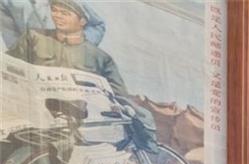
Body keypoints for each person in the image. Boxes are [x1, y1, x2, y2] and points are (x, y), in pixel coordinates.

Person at [6, 0, 158, 152]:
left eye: (65, 13)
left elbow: (119, 94)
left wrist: (128, 109)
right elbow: (8, 66)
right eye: (55, 10)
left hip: (76, 120)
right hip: (31, 109)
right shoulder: (34, 37)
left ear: (82, 21)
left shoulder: (100, 57)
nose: (57, 16)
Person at [0, 0, 104, 49]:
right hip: (33, 62)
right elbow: (12, 38)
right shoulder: (6, 3)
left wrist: (77, 44)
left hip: (70, 60)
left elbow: (97, 25)